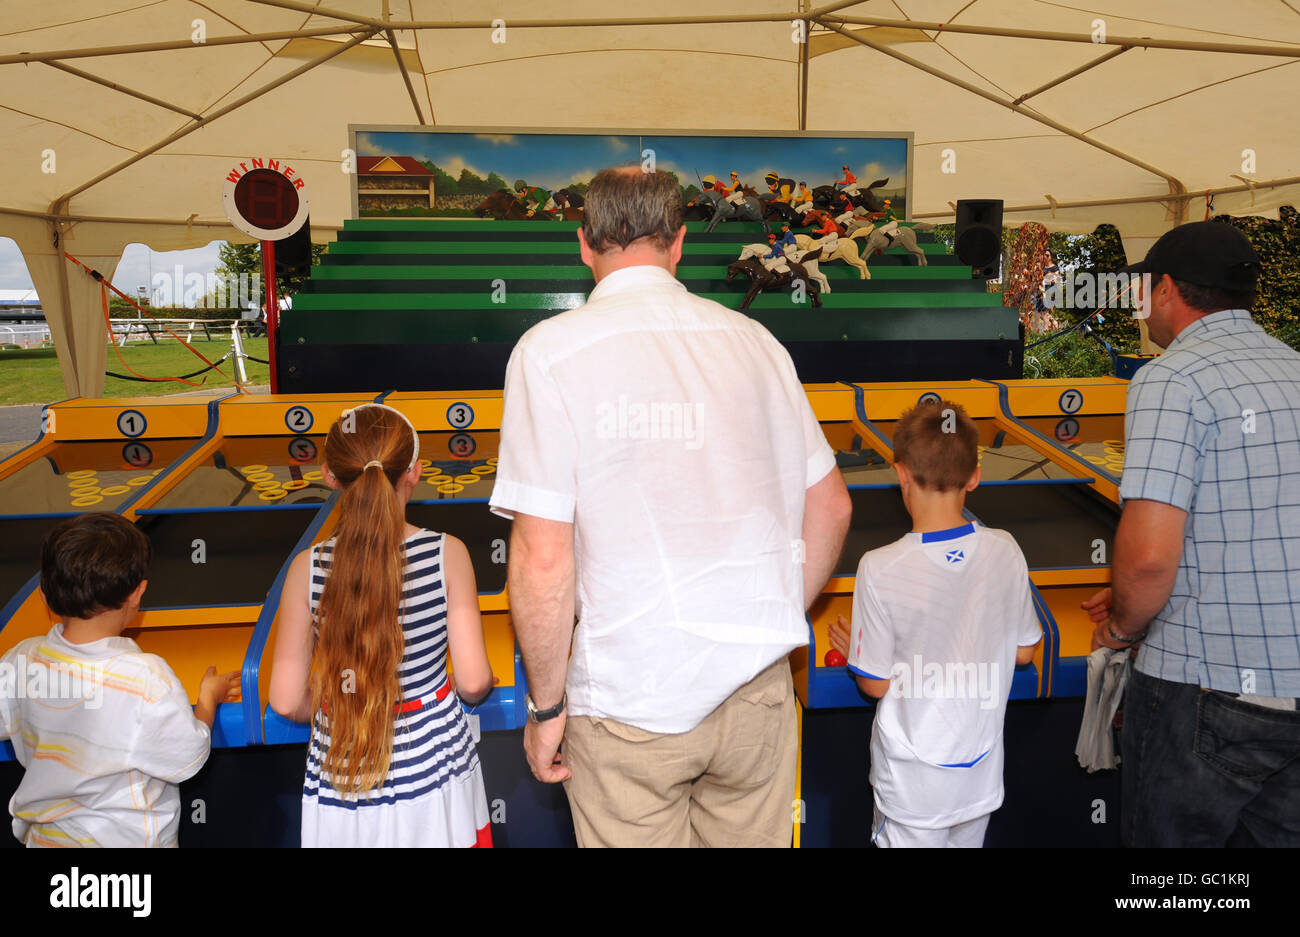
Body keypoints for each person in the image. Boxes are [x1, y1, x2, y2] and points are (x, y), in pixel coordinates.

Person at [490, 167, 852, 848]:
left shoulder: (548, 354)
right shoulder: (757, 344)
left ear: (584, 242)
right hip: (756, 692)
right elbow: (830, 506)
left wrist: (546, 707)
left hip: (629, 702)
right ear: (680, 242)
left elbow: (543, 557)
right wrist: (765, 617)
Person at [1082, 220, 1300, 847]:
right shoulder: (1291, 368)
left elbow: (1150, 558)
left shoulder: (1171, 378)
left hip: (1208, 688)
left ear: (1168, 289)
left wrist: (1124, 625)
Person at [270, 404, 495, 848]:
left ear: (330, 475)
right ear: (414, 471)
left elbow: (286, 699)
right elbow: (473, 681)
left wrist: (349, 700)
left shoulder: (307, 568)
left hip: (343, 773)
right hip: (434, 767)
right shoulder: (447, 554)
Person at [829, 400, 1042, 847]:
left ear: (901, 472)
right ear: (975, 475)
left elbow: (876, 684)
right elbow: (1024, 653)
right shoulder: (1006, 549)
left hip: (913, 790)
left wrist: (858, 653)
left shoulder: (880, 566)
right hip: (978, 781)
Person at [0, 513, 239, 847]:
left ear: (43, 596)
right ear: (137, 594)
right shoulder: (143, 676)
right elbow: (188, 756)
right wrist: (208, 701)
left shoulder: (20, 659)